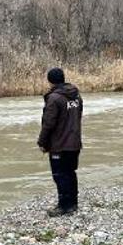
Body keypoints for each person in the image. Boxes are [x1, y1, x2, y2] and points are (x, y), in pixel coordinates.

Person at [37, 67, 83, 217]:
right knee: (70, 172)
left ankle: (63, 205)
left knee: (59, 175)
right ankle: (73, 203)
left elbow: (48, 123)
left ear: (50, 81)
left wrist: (42, 142)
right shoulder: (76, 96)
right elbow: (78, 116)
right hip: (74, 142)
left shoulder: (54, 98)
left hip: (59, 145)